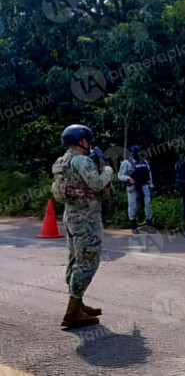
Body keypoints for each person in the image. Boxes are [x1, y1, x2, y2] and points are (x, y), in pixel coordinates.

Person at [51, 124, 113, 328]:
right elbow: (96, 184)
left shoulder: (63, 160)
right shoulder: (81, 160)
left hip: (72, 216)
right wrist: (108, 171)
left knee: (75, 259)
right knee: (88, 260)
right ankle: (72, 311)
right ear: (83, 141)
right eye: (89, 141)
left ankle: (78, 304)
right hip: (86, 219)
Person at [118, 145, 154, 233]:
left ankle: (148, 223)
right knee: (132, 204)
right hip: (132, 186)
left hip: (144, 185)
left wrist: (151, 185)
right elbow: (120, 175)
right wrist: (129, 178)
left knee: (147, 204)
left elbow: (149, 174)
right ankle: (133, 225)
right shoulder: (127, 162)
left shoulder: (144, 161)